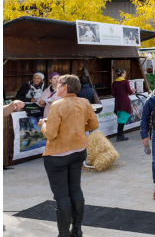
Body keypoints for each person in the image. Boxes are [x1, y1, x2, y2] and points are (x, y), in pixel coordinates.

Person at [38, 74, 99, 237]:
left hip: (58, 154)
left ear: (64, 87)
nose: (56, 86)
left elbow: (50, 134)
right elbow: (94, 124)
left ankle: (64, 233)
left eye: (58, 84)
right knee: (75, 190)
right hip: (78, 151)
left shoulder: (57, 105)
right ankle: (77, 230)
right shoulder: (84, 102)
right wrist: (78, 128)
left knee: (62, 195)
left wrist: (43, 124)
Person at [111, 69, 135, 142]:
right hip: (124, 102)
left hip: (118, 102)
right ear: (122, 74)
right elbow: (129, 92)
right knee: (122, 119)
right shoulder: (125, 81)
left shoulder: (114, 83)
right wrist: (133, 90)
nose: (125, 75)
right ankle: (119, 136)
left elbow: (113, 93)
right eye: (124, 73)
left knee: (120, 117)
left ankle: (120, 135)